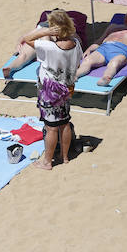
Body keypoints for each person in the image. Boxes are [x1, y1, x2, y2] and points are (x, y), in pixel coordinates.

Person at [31, 10, 81, 170]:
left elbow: (25, 39)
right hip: (66, 88)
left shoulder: (50, 47)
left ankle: (47, 162)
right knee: (64, 123)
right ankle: (64, 157)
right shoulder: (75, 43)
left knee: (51, 127)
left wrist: (44, 31)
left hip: (50, 91)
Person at [76, 9, 127, 86]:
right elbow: (100, 40)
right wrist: (89, 49)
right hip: (104, 48)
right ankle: (75, 76)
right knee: (87, 60)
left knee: (114, 63)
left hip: (121, 51)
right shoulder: (113, 26)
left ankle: (106, 78)